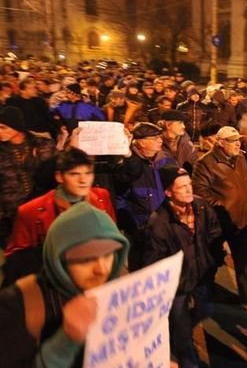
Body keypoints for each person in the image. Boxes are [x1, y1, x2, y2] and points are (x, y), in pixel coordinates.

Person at [0, 202, 179, 368]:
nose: (102, 269)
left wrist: (158, 360)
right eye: (86, 258)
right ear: (59, 260)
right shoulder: (18, 305)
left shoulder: (120, 289)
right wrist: (65, 341)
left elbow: (137, 336)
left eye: (109, 254)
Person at [144, 165, 224, 368]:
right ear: (168, 192)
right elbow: (153, 260)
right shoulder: (158, 223)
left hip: (202, 275)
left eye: (190, 185)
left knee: (205, 310)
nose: (189, 190)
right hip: (176, 285)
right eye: (182, 187)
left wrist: (213, 259)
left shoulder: (201, 207)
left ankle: (180, 327)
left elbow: (214, 232)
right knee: (182, 331)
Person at [4, 148, 115, 282]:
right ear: (59, 177)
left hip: (97, 277)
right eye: (74, 174)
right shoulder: (31, 210)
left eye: (88, 173)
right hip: (54, 281)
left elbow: (113, 237)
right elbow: (15, 258)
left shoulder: (102, 197)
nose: (83, 180)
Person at [192, 126, 247, 304]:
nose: (238, 144)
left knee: (242, 258)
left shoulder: (240, 157)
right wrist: (222, 206)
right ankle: (206, 292)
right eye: (232, 141)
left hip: (240, 218)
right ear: (220, 143)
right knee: (212, 258)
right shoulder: (205, 163)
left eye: (238, 140)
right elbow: (200, 191)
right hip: (219, 221)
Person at [113, 122, 177, 270]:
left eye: (160, 137)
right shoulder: (126, 161)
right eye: (155, 138)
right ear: (141, 142)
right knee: (141, 268)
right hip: (139, 228)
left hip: (162, 223)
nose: (160, 140)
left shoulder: (164, 158)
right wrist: (134, 222)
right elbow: (120, 196)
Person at [0, 106, 56, 247]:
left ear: (16, 126)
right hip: (10, 213)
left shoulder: (42, 145)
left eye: (3, 127)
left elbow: (53, 173)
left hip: (42, 209)